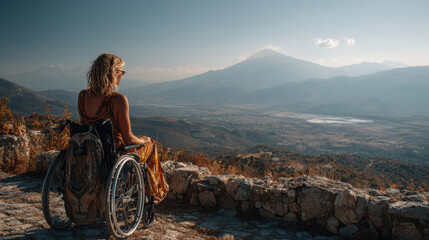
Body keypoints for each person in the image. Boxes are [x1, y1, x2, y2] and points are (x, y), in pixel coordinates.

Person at [78, 53, 168, 202]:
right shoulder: (118, 100)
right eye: (121, 71)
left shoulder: (82, 96)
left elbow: (83, 125)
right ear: (113, 73)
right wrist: (143, 140)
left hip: (90, 149)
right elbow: (128, 138)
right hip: (115, 152)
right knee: (151, 145)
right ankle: (151, 195)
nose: (122, 75)